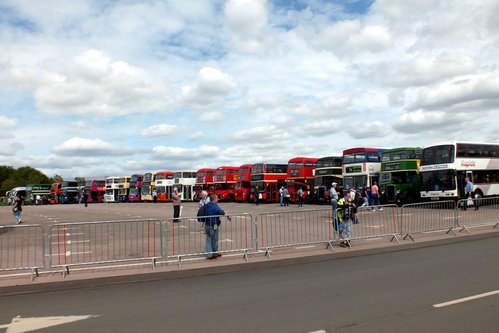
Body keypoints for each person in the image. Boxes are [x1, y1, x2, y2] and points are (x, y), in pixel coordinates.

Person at [204, 193, 231, 259]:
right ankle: (213, 253)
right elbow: (221, 212)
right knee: (214, 239)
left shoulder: (207, 205)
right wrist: (227, 215)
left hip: (207, 224)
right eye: (217, 198)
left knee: (209, 239)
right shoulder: (215, 206)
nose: (218, 199)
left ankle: (211, 253)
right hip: (214, 225)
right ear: (214, 199)